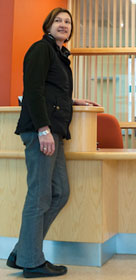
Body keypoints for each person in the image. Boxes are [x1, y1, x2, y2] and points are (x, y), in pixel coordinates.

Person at [6, 7, 99, 278]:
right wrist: (43, 129)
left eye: (67, 22)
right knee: (40, 196)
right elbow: (32, 90)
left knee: (60, 192)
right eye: (58, 20)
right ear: (48, 26)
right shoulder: (41, 49)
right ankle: (32, 262)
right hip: (41, 132)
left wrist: (73, 101)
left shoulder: (59, 56)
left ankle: (21, 252)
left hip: (54, 132)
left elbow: (49, 91)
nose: (63, 24)